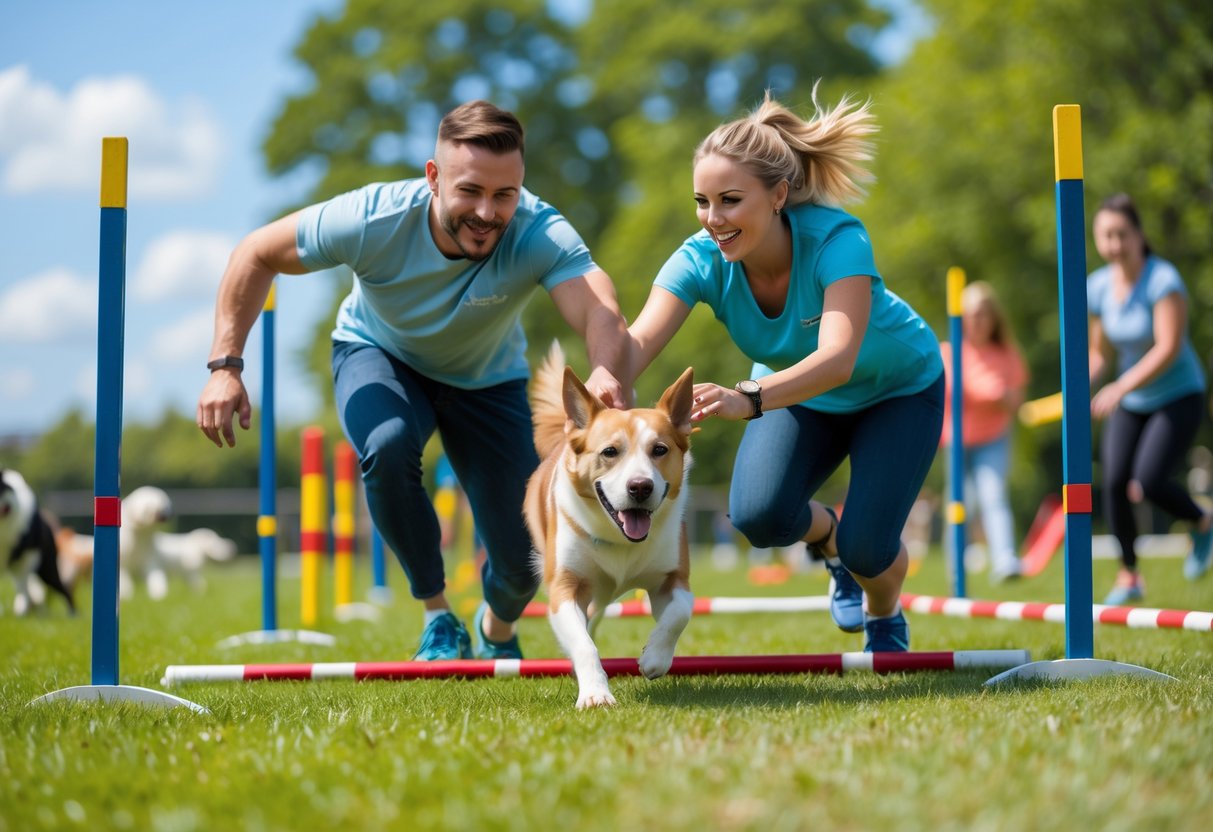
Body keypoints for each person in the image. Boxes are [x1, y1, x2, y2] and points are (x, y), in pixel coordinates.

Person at [197, 100, 630, 660]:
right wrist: (225, 366)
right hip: (379, 354)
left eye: (504, 195)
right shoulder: (373, 218)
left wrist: (602, 370)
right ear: (433, 177)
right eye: (469, 191)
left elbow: (601, 310)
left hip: (487, 379)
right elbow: (256, 253)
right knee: (388, 443)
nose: (487, 212)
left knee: (526, 556)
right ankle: (438, 614)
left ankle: (496, 626)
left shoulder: (538, 230)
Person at [626, 88, 944, 652]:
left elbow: (837, 359)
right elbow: (638, 342)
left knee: (869, 546)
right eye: (701, 201)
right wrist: (604, 375)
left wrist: (746, 396)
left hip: (896, 389)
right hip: (796, 394)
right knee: (759, 517)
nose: (713, 219)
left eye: (729, 200)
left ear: (777, 195)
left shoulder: (838, 239)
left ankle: (883, 610)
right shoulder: (701, 257)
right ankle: (830, 542)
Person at [1087, 193, 1212, 603]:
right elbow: (1100, 355)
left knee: (1150, 481)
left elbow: (1168, 347)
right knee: (1115, 482)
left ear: (1139, 235)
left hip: (1178, 394)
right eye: (1106, 236)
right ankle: (1129, 575)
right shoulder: (1098, 286)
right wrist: (1080, 385)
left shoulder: (1163, 279)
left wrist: (1120, 387)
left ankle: (1202, 521)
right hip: (1134, 402)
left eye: (1122, 234)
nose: (1114, 245)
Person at [940, 281, 1029, 583]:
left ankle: (1005, 560)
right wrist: (984, 391)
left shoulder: (1006, 354)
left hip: (992, 437)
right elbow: (948, 392)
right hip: (957, 440)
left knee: (993, 496)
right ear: (960, 318)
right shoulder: (948, 352)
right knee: (960, 502)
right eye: (971, 314)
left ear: (993, 318)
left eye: (983, 314)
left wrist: (1001, 397)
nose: (977, 321)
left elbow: (1016, 401)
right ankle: (956, 566)